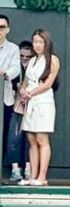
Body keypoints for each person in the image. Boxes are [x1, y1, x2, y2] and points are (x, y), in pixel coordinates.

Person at [19, 29, 60, 186]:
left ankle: (42, 177)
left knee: (42, 138)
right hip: (30, 102)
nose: (37, 45)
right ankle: (32, 176)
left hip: (43, 101)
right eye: (35, 42)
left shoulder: (53, 59)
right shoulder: (32, 61)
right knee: (31, 139)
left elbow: (48, 83)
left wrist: (31, 93)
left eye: (40, 42)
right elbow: (25, 82)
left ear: (46, 43)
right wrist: (23, 91)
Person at [4, 39, 29, 183]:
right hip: (15, 105)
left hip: (32, 106)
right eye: (22, 56)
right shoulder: (15, 67)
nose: (24, 59)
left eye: (27, 56)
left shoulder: (34, 67)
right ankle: (15, 170)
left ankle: (28, 169)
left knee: (30, 139)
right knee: (13, 138)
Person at [0, 14, 21, 179]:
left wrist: (5, 73)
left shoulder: (13, 48)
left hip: (5, 97)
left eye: (2, 27)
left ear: (7, 29)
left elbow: (15, 68)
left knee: (5, 133)